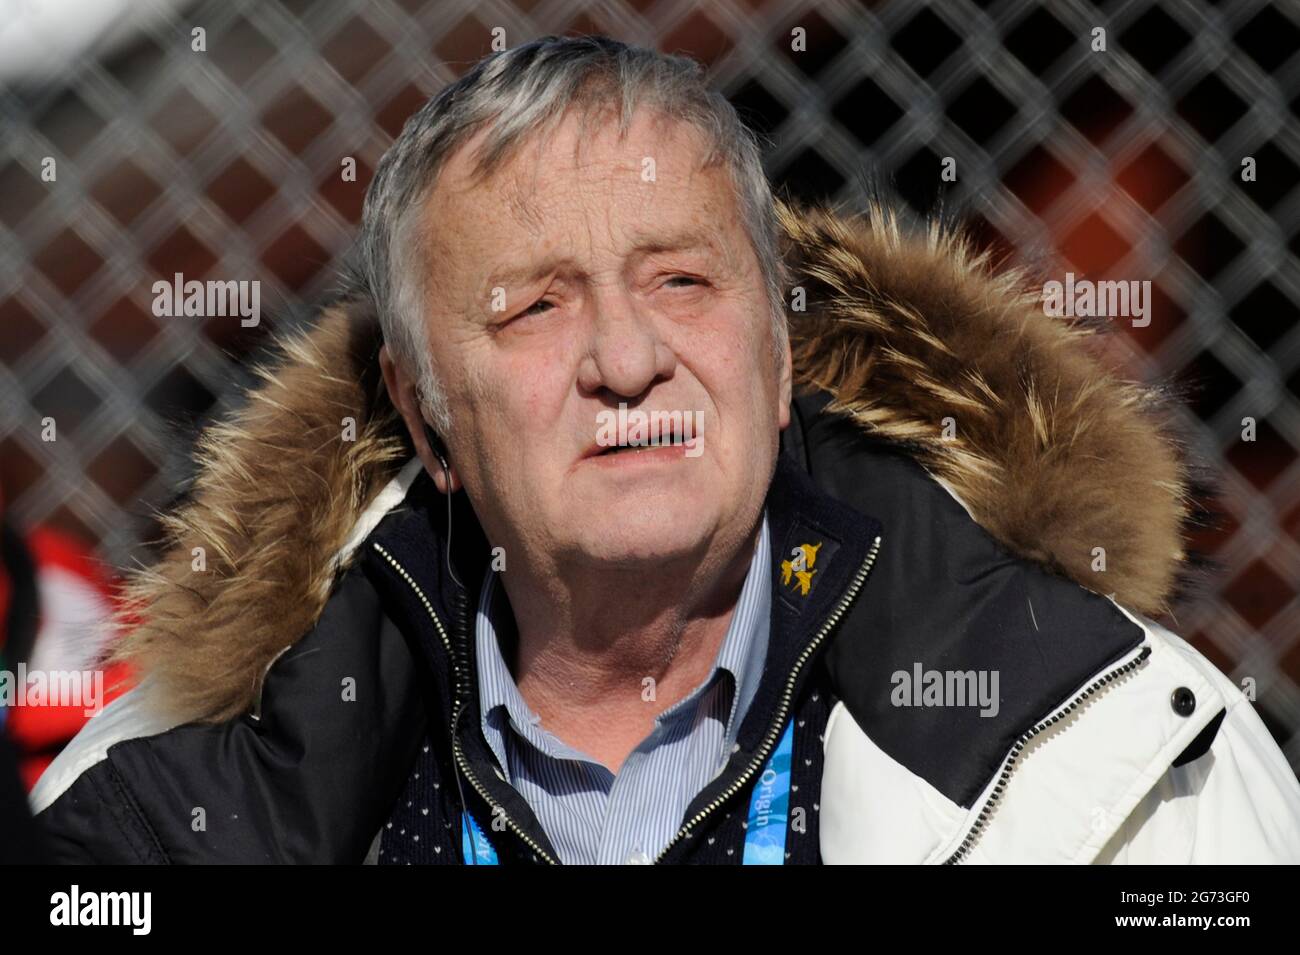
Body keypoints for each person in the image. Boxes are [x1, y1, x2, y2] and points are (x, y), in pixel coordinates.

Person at [31, 35, 1300, 864]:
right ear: (428, 422)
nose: (626, 358)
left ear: (781, 352)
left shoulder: (1129, 753)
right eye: (534, 304)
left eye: (682, 279)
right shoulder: (149, 817)